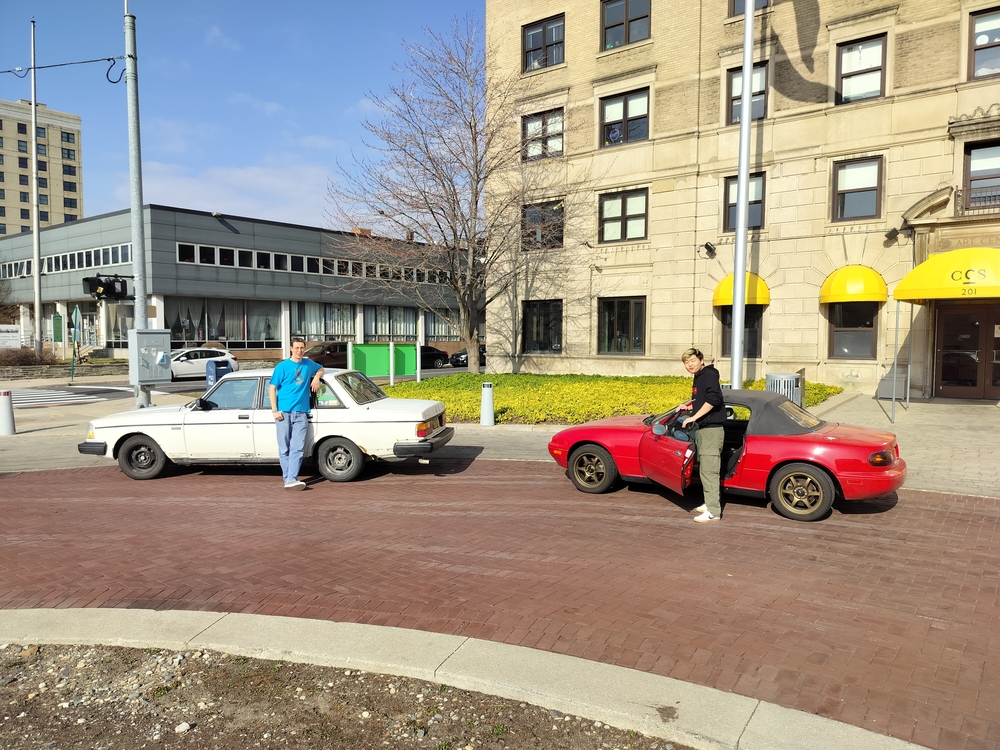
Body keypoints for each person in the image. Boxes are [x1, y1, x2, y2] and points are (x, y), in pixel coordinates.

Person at [269, 337, 324, 490]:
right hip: (283, 413)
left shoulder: (308, 364)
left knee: (297, 448)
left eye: (302, 348)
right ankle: (289, 479)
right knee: (284, 448)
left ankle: (291, 479)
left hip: (301, 413)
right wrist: (274, 410)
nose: (300, 350)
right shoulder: (282, 366)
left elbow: (321, 368)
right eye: (297, 348)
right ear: (291, 349)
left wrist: (317, 378)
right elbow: (272, 388)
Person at [680, 348, 726, 523]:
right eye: (686, 362)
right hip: (704, 431)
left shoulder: (708, 375)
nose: (689, 364)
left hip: (711, 431)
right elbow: (702, 401)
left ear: (701, 359)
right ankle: (709, 503)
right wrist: (688, 407)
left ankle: (714, 511)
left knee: (709, 472)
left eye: (692, 360)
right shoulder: (699, 376)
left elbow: (714, 399)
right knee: (705, 471)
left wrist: (694, 417)